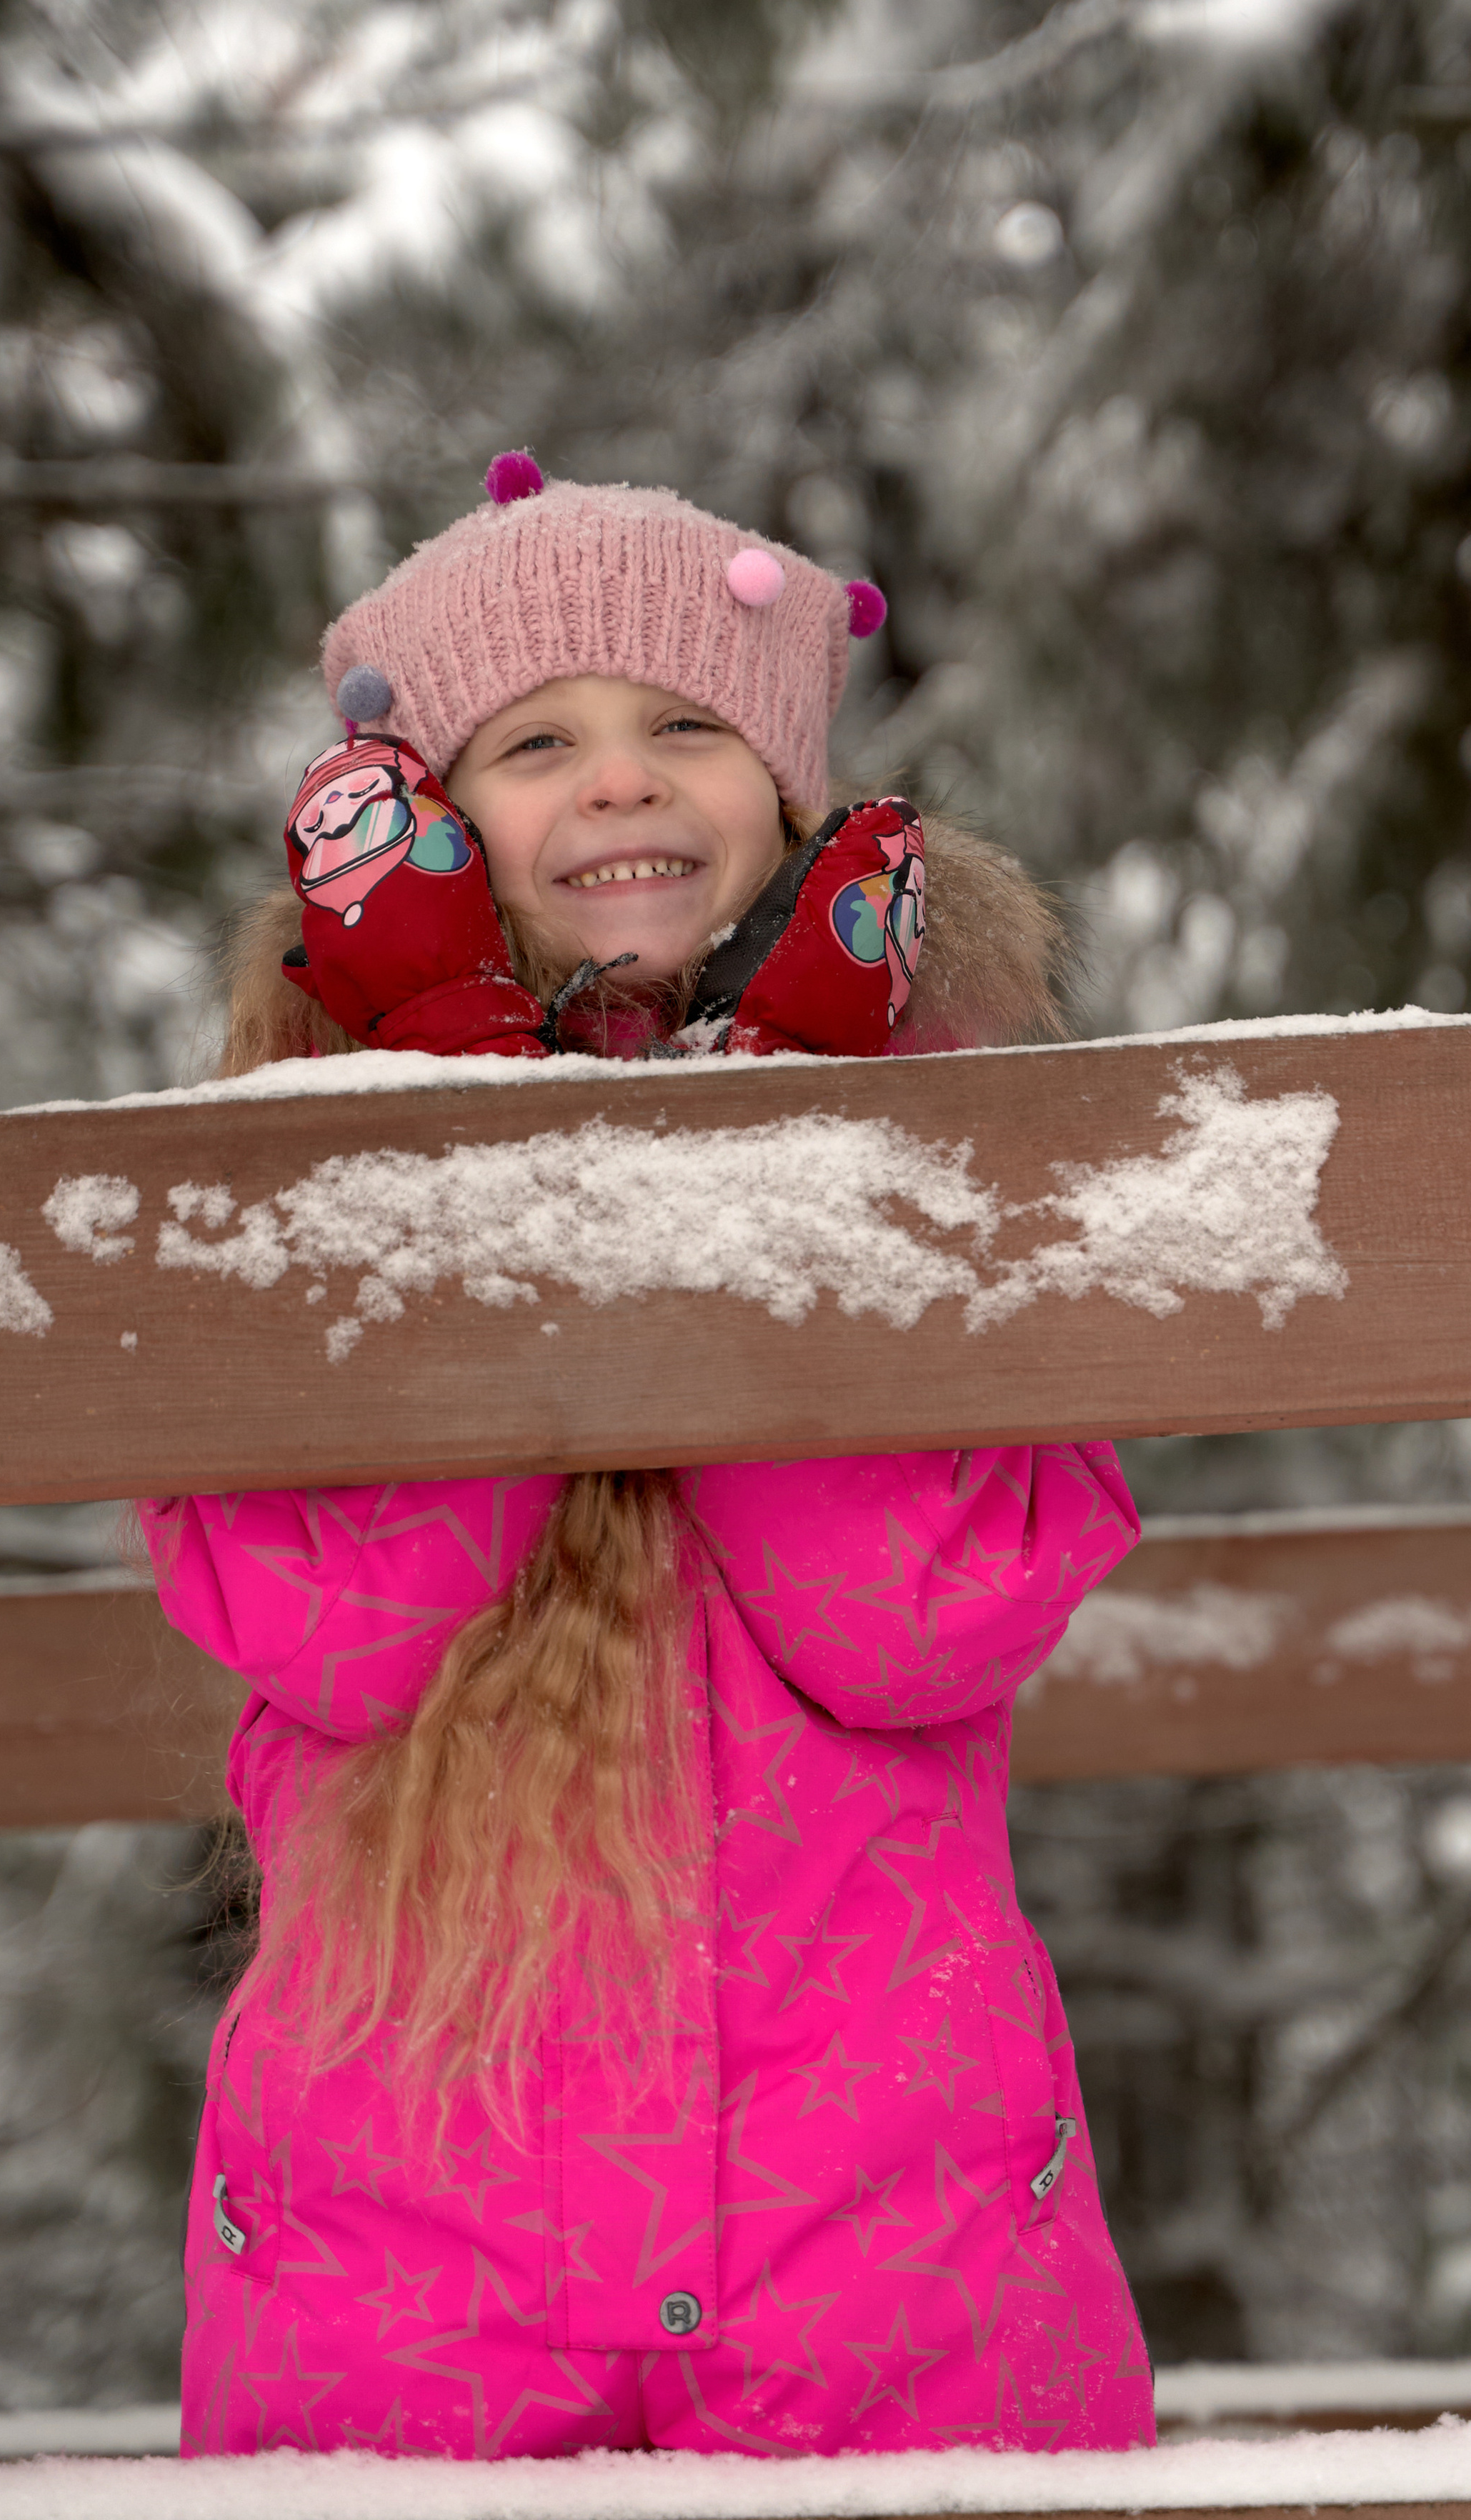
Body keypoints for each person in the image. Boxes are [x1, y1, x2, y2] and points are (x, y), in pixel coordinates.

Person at [140, 456, 1152, 2462]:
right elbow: (348, 1635)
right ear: (423, 811)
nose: (622, 781)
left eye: (687, 723)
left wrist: (788, 1157)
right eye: (537, 742)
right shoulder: (278, 1157)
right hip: (407, 2242)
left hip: (888, 2240)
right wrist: (444, 1121)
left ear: (786, 789)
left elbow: (916, 1624)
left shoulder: (945, 1137)